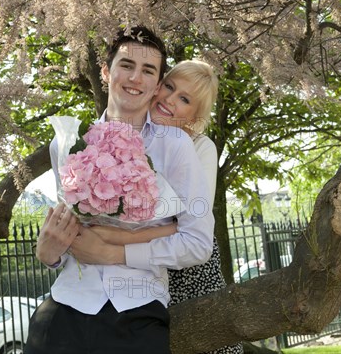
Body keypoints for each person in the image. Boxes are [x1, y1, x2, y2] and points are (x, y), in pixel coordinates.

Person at [25, 26, 215, 354]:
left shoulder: (177, 147)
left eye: (148, 71)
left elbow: (197, 243)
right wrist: (49, 255)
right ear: (105, 71)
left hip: (138, 313)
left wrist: (119, 254)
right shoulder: (67, 143)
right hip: (64, 306)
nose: (135, 78)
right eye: (126, 65)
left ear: (156, 85)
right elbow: (66, 229)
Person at [77, 60, 243, 353]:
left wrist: (116, 239)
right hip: (140, 275)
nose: (169, 99)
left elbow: (183, 226)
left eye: (184, 99)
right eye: (169, 86)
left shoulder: (199, 148)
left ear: (194, 116)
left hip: (188, 269)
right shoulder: (129, 134)